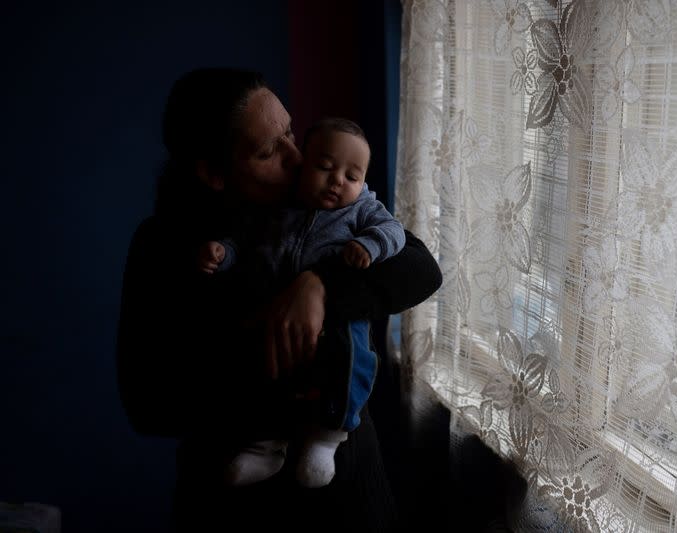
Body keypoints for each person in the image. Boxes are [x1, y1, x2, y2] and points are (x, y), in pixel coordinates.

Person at [116, 68, 442, 532]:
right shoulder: (166, 247)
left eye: (290, 131)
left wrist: (319, 287)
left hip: (346, 490)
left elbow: (422, 270)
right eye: (269, 151)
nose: (296, 156)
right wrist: (253, 338)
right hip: (233, 501)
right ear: (213, 173)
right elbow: (148, 403)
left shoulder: (329, 203)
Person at [198, 117, 406, 489]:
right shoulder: (277, 208)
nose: (338, 180)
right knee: (260, 368)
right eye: (325, 167)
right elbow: (243, 242)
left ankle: (327, 438)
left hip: (335, 325)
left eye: (352, 176)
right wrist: (222, 253)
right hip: (268, 321)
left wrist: (370, 245)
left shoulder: (360, 209)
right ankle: (265, 446)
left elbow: (395, 234)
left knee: (350, 358)